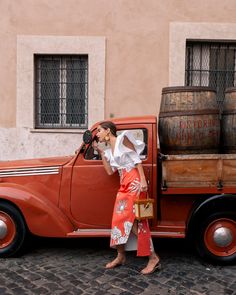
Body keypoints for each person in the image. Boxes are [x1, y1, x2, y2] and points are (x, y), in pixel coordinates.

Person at [92, 121, 161, 275]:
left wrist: (143, 181)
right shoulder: (110, 149)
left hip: (134, 184)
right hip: (124, 186)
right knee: (118, 221)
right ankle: (121, 256)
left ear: (108, 131)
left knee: (135, 223)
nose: (97, 134)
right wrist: (102, 153)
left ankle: (153, 257)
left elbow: (137, 161)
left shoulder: (123, 139)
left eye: (99, 131)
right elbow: (110, 171)